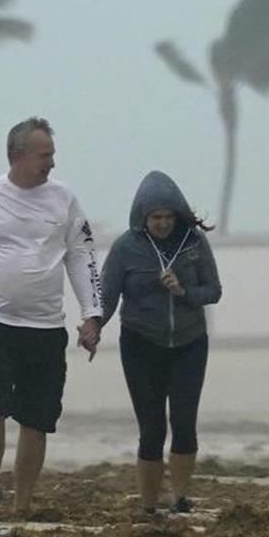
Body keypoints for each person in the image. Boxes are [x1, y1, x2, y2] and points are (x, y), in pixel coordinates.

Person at [0, 117, 103, 513]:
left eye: (52, 154)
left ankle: (23, 502)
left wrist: (92, 315)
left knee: (37, 416)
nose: (51, 163)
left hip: (46, 327)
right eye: (44, 155)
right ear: (17, 156)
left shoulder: (65, 200)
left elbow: (82, 255)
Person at [99, 170, 222, 514]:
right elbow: (108, 296)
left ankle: (180, 498)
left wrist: (183, 291)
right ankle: (148, 504)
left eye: (169, 217)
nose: (163, 224)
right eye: (156, 218)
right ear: (143, 217)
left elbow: (213, 291)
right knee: (152, 427)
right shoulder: (126, 247)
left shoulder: (194, 243)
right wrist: (93, 326)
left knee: (184, 423)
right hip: (141, 344)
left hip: (189, 343)